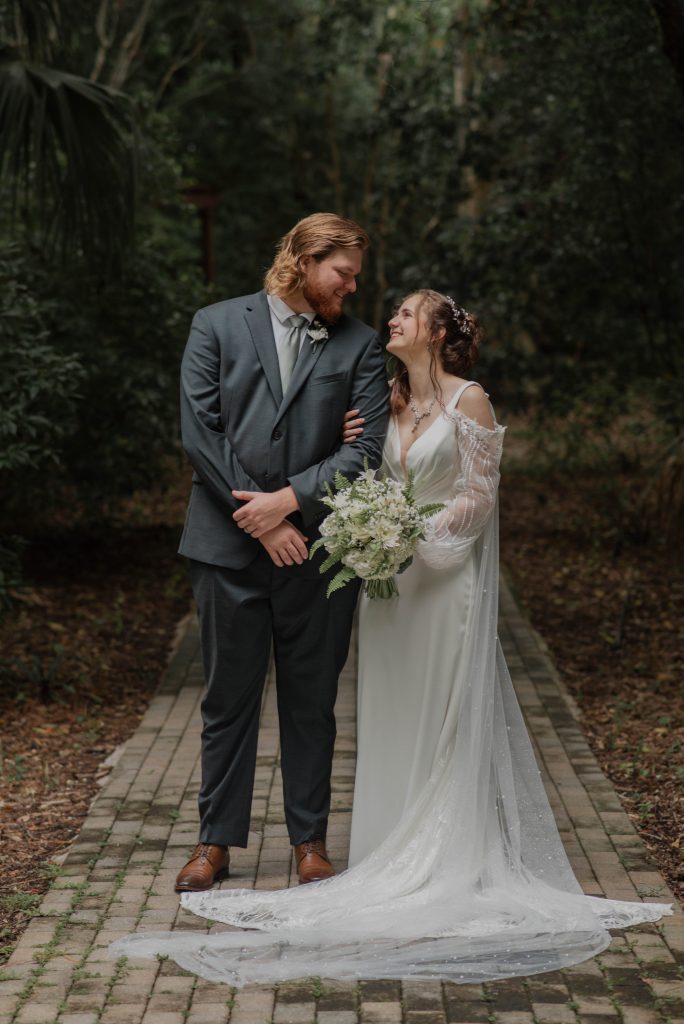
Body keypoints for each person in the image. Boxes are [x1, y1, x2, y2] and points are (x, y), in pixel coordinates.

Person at [114, 290, 670, 985]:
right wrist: (367, 529)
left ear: (439, 332)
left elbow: (478, 496)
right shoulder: (382, 398)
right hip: (387, 588)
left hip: (440, 581)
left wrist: (412, 534)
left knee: (418, 712)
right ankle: (377, 848)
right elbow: (353, 461)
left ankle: (429, 851)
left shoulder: (472, 400)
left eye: (407, 312)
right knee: (382, 714)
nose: (389, 318)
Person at [173, 212, 389, 893]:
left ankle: (309, 842)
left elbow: (365, 451)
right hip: (228, 548)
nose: (352, 286)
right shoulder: (215, 324)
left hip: (319, 555)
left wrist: (290, 501)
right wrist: (260, 520)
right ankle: (214, 842)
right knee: (227, 699)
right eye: (343, 272)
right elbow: (199, 433)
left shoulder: (359, 345)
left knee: (311, 702)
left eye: (356, 275)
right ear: (302, 257)